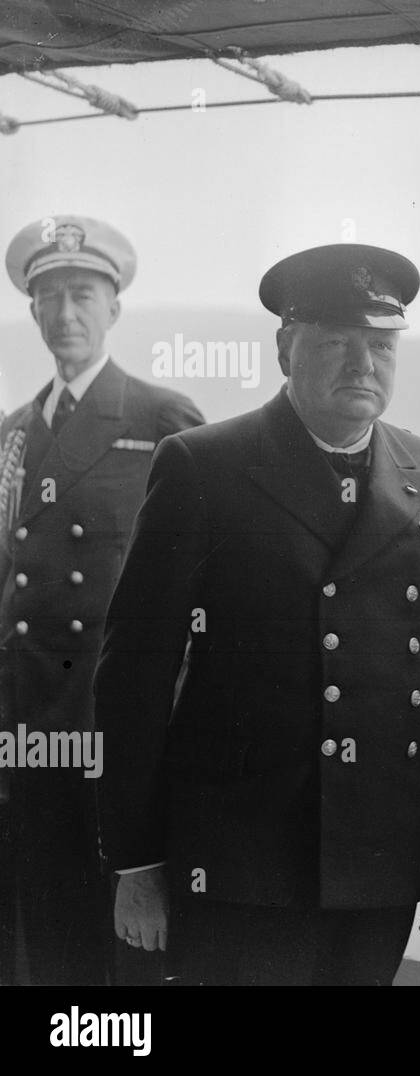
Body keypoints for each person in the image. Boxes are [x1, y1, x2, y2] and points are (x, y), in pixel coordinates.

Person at [94, 243, 420, 985]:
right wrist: (137, 861)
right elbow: (132, 675)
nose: (361, 363)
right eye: (336, 342)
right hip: (242, 861)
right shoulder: (202, 466)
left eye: (379, 344)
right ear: (284, 349)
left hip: (379, 861)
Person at [0, 216, 203, 985]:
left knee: (131, 953)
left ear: (114, 307)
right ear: (31, 313)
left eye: (81, 294)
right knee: (48, 943)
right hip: (30, 739)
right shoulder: (12, 435)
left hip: (117, 737)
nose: (64, 315)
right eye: (47, 298)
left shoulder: (162, 421)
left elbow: (200, 598)